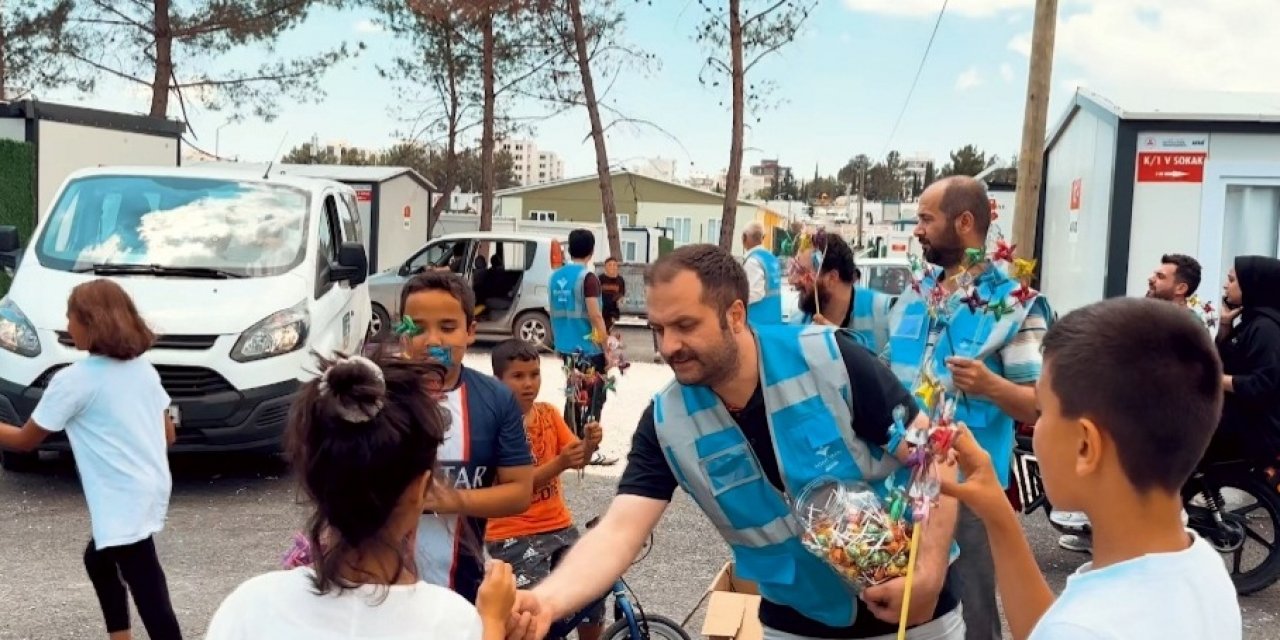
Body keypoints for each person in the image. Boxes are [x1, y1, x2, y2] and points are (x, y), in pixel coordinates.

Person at [511, 244, 965, 640]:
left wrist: (927, 574)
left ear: (735, 315)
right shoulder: (667, 422)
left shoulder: (830, 359)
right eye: (659, 328)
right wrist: (547, 601)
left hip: (915, 616)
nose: (669, 346)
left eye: (686, 325)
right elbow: (618, 532)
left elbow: (935, 458)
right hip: (795, 624)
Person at [940, 297, 1241, 640]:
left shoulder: (1085, 626)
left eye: (1042, 412)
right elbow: (1047, 629)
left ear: (1085, 446)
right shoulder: (1200, 565)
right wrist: (997, 511)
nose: (1036, 429)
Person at [205, 354, 517, 640]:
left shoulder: (250, 607)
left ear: (313, 483)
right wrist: (492, 622)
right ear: (422, 491)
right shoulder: (452, 621)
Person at [886, 176, 1050, 640]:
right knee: (907, 611)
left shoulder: (1015, 304)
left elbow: (1041, 405)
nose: (917, 229)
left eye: (925, 219)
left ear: (964, 223)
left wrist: (992, 385)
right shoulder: (919, 292)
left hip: (969, 495)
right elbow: (889, 364)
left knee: (973, 619)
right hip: (901, 480)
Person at [0, 279, 182, 640]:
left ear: (90, 322)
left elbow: (24, 441)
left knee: (150, 593)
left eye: (70, 317)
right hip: (149, 487)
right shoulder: (143, 369)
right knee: (98, 560)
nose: (67, 325)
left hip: (122, 499)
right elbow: (169, 433)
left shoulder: (73, 380)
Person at [398, 271, 536, 603]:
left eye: (447, 328)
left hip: (464, 588)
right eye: (417, 328)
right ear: (402, 333)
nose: (432, 341)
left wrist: (452, 500)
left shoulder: (497, 399)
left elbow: (519, 492)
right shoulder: (380, 395)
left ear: (470, 332)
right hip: (383, 589)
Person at [1055, 252, 1206, 553]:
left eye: (1161, 276)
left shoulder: (1183, 326)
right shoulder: (1154, 316)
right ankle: (1101, 535)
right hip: (1135, 410)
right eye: (1154, 273)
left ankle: (1167, 545)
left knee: (1151, 487)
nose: (1152, 277)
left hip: (1158, 420)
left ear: (1181, 289)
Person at [485, 340, 606, 640]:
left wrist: (589, 445)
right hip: (510, 534)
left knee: (593, 588)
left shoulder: (549, 414)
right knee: (533, 614)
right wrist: (561, 463)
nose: (529, 384)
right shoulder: (492, 425)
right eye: (518, 376)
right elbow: (515, 486)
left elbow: (576, 458)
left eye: (534, 374)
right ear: (497, 381)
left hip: (558, 525)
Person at [1211, 256, 1280, 490]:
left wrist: (1213, 380)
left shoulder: (1266, 329)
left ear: (1252, 286)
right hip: (1237, 419)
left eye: (1231, 280)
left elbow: (1262, 383)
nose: (1225, 285)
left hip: (1252, 429)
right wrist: (1225, 327)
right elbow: (1224, 361)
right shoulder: (1250, 322)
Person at [549, 229, 616, 466]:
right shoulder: (588, 279)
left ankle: (569, 445)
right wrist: (607, 348)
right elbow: (595, 316)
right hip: (588, 349)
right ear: (591, 250)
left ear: (570, 249)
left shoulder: (555, 277)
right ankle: (587, 450)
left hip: (566, 348)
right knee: (593, 399)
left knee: (574, 396)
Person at [790, 232, 893, 354]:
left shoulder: (887, 314)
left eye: (801, 272)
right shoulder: (799, 323)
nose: (792, 280)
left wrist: (842, 345)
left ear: (832, 278)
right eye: (793, 269)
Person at [741, 221, 783, 325]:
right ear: (762, 238)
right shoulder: (771, 258)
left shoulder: (753, 261)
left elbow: (755, 294)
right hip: (774, 317)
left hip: (757, 321)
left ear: (744, 237)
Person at [598, 257, 627, 334]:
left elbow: (621, 294)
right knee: (601, 332)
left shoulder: (620, 280)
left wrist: (620, 300)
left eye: (614, 265)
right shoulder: (600, 279)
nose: (612, 267)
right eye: (610, 265)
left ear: (617, 267)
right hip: (601, 309)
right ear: (605, 267)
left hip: (613, 311)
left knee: (609, 332)